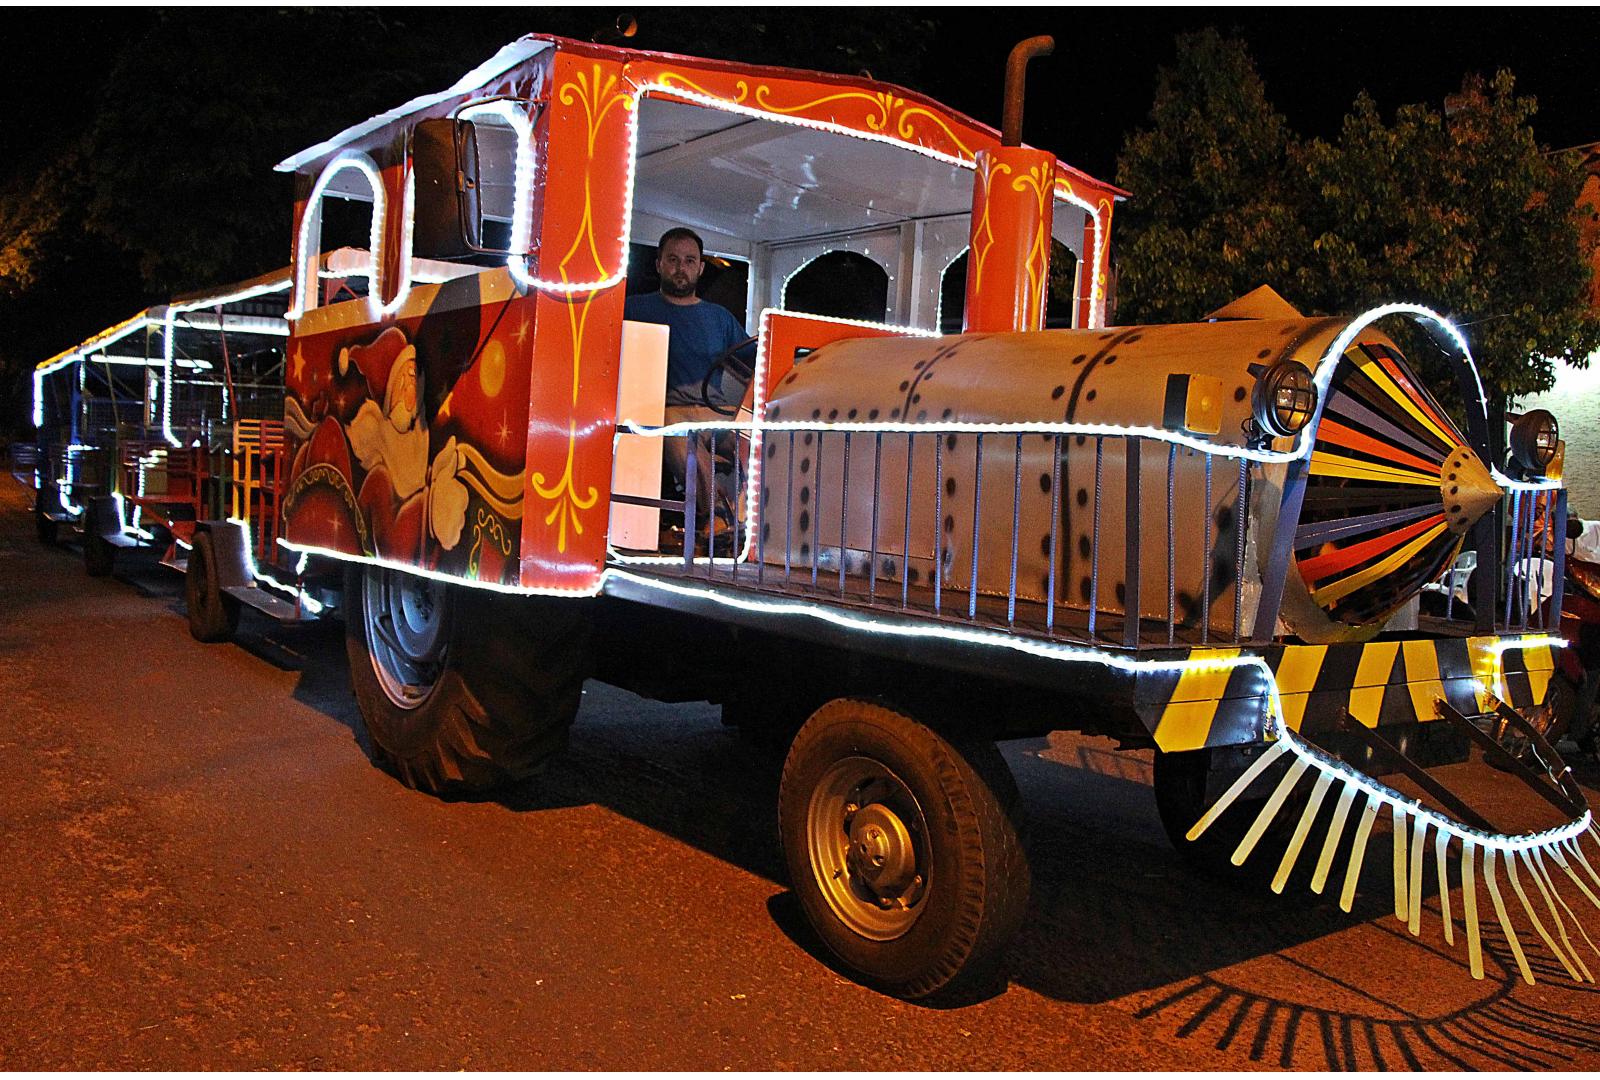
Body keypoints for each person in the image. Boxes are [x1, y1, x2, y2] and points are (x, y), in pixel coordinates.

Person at [624, 227, 755, 514]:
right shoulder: (632, 308)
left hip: (717, 411)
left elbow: (754, 361)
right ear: (658, 264)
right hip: (666, 410)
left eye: (689, 260)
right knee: (683, 436)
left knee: (763, 438)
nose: (680, 268)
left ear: (701, 268)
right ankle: (716, 517)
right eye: (672, 259)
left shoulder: (719, 318)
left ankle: (758, 521)